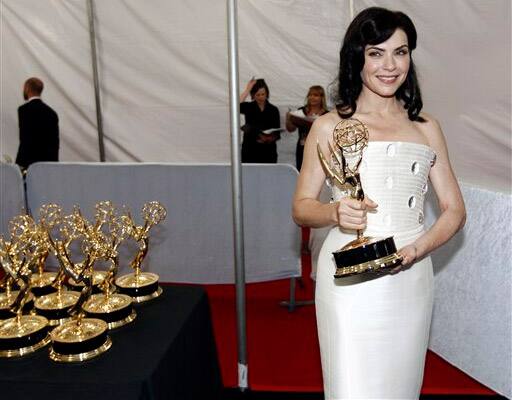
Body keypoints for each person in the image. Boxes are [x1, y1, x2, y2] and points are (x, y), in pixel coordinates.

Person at [292, 7, 466, 399]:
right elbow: (302, 205)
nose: (390, 65)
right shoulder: (329, 125)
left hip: (411, 276)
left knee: (401, 387)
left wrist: (416, 250)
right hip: (349, 279)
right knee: (352, 386)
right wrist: (334, 211)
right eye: (377, 52)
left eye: (400, 52)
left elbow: (454, 209)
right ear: (358, 57)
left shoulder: (426, 127)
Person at [15, 77, 59, 172]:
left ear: (27, 89)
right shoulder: (52, 113)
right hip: (48, 164)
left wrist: (19, 164)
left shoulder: (23, 110)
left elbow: (25, 139)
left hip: (29, 163)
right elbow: (55, 143)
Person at [286, 86, 329, 170]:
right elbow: (291, 129)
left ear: (322, 98)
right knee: (301, 172)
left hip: (319, 150)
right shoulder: (301, 111)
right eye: (310, 95)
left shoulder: (326, 114)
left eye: (315, 95)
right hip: (303, 148)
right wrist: (288, 119)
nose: (312, 97)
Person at [240, 78, 280, 163]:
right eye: (257, 95)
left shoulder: (274, 109)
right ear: (253, 95)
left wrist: (268, 138)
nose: (261, 97)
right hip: (250, 150)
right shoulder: (248, 107)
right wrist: (248, 89)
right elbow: (235, 105)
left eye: (263, 94)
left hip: (268, 152)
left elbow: (277, 132)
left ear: (267, 94)